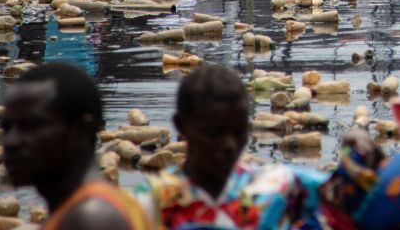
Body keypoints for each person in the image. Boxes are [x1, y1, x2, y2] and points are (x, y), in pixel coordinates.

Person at [136, 64, 335, 229]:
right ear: (181, 126)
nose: (230, 145)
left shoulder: (276, 186)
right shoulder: (149, 204)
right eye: (213, 133)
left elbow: (348, 195)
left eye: (239, 132)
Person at [2, 62, 149, 230]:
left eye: (31, 126)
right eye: (6, 128)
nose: (11, 141)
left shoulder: (90, 218)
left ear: (81, 131)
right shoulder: (77, 211)